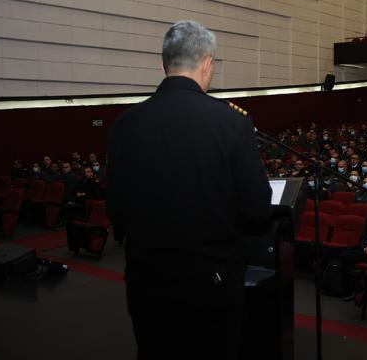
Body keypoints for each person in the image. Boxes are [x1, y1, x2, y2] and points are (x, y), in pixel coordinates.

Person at [106, 20, 272, 360]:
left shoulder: (124, 126)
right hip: (212, 286)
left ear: (163, 64)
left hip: (147, 284)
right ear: (208, 63)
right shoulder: (232, 123)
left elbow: (117, 213)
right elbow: (257, 211)